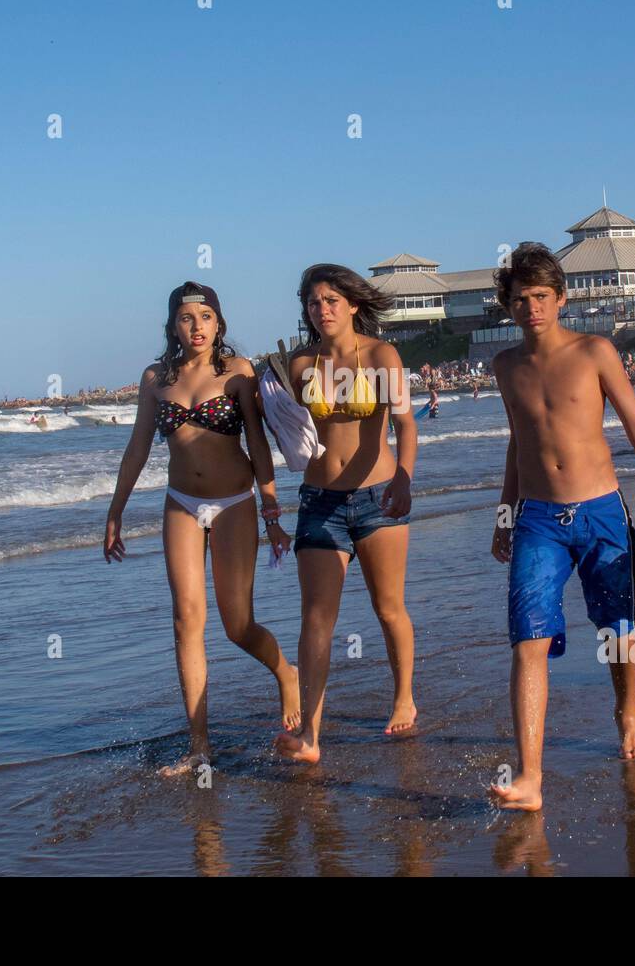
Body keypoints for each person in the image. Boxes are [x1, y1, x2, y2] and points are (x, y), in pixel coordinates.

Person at [488, 243, 635, 812]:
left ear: (560, 299)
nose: (530, 307)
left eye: (540, 297)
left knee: (618, 629)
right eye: (519, 299)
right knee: (527, 638)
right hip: (538, 519)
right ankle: (530, 777)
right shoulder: (505, 366)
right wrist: (504, 514)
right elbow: (518, 442)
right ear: (506, 306)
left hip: (602, 512)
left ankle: (627, 709)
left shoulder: (594, 351)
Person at [104, 282, 300, 775]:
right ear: (173, 324)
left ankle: (287, 674)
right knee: (185, 621)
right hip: (180, 505)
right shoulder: (155, 379)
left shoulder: (237, 373)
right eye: (187, 317)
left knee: (237, 626)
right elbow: (137, 450)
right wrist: (115, 512)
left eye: (205, 316)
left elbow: (258, 445)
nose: (196, 326)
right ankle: (199, 747)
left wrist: (271, 511)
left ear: (219, 323)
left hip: (235, 503)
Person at [274, 263, 418, 765]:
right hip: (319, 501)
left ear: (354, 304)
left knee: (387, 607)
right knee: (316, 618)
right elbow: (289, 429)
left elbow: (405, 422)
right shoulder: (298, 365)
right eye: (314, 303)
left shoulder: (381, 355)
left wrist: (403, 475)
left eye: (332, 300)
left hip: (378, 496)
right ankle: (310, 733)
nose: (323, 310)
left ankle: (403, 697)